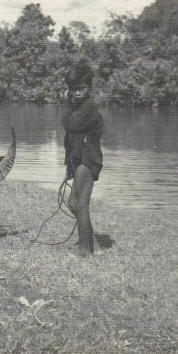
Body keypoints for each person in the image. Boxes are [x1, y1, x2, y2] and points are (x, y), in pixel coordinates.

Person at [62, 60, 103, 257]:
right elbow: (70, 137)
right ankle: (92, 242)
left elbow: (70, 125)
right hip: (78, 160)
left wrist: (67, 102)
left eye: (81, 89)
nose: (77, 93)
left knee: (81, 204)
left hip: (89, 160)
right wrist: (69, 165)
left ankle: (85, 250)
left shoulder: (88, 108)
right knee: (72, 203)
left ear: (89, 89)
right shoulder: (77, 106)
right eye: (73, 89)